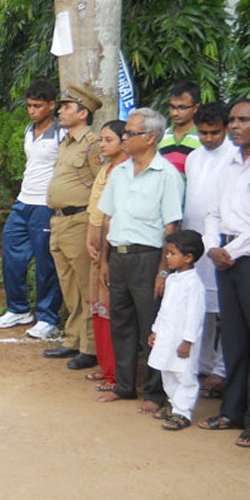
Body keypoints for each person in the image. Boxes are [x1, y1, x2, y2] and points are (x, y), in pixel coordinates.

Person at [96, 107, 184, 414]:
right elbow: (108, 218)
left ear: (149, 138)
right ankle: (124, 385)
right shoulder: (118, 172)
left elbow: (170, 227)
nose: (124, 138)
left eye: (130, 133)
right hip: (118, 257)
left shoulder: (167, 175)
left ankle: (155, 392)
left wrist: (163, 270)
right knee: (120, 323)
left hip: (148, 259)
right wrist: (105, 261)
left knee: (151, 327)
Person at [0, 80, 64, 340]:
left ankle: (48, 318)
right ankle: (19, 309)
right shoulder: (27, 130)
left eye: (37, 106)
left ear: (51, 105)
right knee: (11, 255)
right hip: (23, 202)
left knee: (46, 262)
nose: (32, 110)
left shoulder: (61, 133)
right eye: (29, 106)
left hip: (46, 205)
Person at [198, 98, 250, 448]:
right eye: (232, 119)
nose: (234, 125)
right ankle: (232, 412)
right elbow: (212, 212)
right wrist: (211, 247)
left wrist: (228, 251)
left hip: (244, 258)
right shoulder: (230, 164)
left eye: (243, 120)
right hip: (223, 258)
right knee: (234, 340)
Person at [42, 85, 103, 370]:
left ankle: (90, 347)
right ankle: (74, 339)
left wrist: (94, 226)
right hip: (59, 221)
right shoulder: (66, 142)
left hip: (79, 222)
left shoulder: (92, 146)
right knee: (69, 287)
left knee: (85, 285)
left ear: (83, 113)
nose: (60, 111)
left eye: (67, 107)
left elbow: (102, 186)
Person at [182, 102, 236, 398]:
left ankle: (221, 368)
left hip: (223, 243)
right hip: (194, 241)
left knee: (224, 312)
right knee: (198, 306)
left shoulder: (235, 156)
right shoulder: (192, 157)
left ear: (226, 128)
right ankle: (202, 364)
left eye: (214, 132)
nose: (208, 138)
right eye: (203, 133)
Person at [84, 120, 128, 391]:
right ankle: (105, 366)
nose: (102, 144)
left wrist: (104, 248)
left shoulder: (125, 171)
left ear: (125, 142)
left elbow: (114, 214)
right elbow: (95, 210)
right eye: (102, 139)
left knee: (112, 309)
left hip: (111, 245)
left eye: (109, 139)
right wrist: (91, 238)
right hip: (96, 243)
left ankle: (116, 373)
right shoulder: (105, 169)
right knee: (98, 306)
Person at [147, 230, 206, 430]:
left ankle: (183, 412)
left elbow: (195, 316)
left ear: (188, 257)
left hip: (182, 340)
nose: (167, 257)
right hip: (167, 336)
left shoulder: (194, 284)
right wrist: (155, 330)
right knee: (168, 372)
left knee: (185, 376)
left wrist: (188, 341)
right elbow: (164, 309)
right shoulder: (172, 280)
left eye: (172, 253)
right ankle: (174, 405)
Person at [158, 81, 202, 175]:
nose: (175, 113)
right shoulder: (161, 137)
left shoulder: (204, 138)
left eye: (181, 107)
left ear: (196, 108)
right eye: (172, 107)